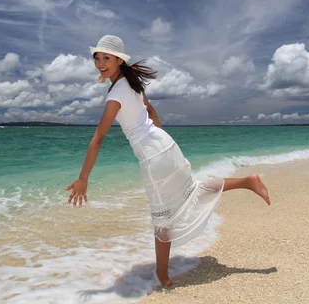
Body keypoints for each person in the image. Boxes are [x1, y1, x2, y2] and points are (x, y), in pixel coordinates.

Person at [65, 35, 270, 287]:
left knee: (163, 219)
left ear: (119, 60)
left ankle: (163, 276)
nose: (100, 63)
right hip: (164, 143)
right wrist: (160, 142)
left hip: (153, 154)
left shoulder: (115, 95)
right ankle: (247, 181)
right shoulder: (133, 83)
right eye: (97, 58)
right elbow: (150, 112)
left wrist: (83, 178)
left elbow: (97, 138)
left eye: (106, 58)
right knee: (192, 189)